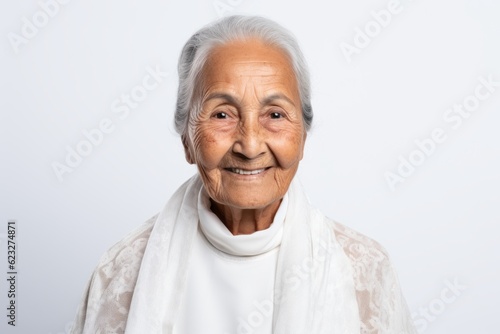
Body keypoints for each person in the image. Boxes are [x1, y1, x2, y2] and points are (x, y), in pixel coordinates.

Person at [71, 15, 416, 334]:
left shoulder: (363, 271)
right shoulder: (122, 273)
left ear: (303, 138)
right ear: (187, 141)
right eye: (222, 115)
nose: (250, 146)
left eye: (275, 115)